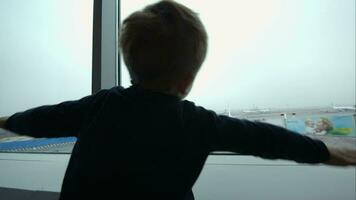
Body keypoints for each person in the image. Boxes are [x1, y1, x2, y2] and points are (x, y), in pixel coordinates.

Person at [0, 1, 355, 199]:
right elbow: (265, 138)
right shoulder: (198, 123)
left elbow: (42, 118)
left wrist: (6, 121)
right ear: (187, 80)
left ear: (130, 66)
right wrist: (325, 152)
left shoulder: (100, 106)